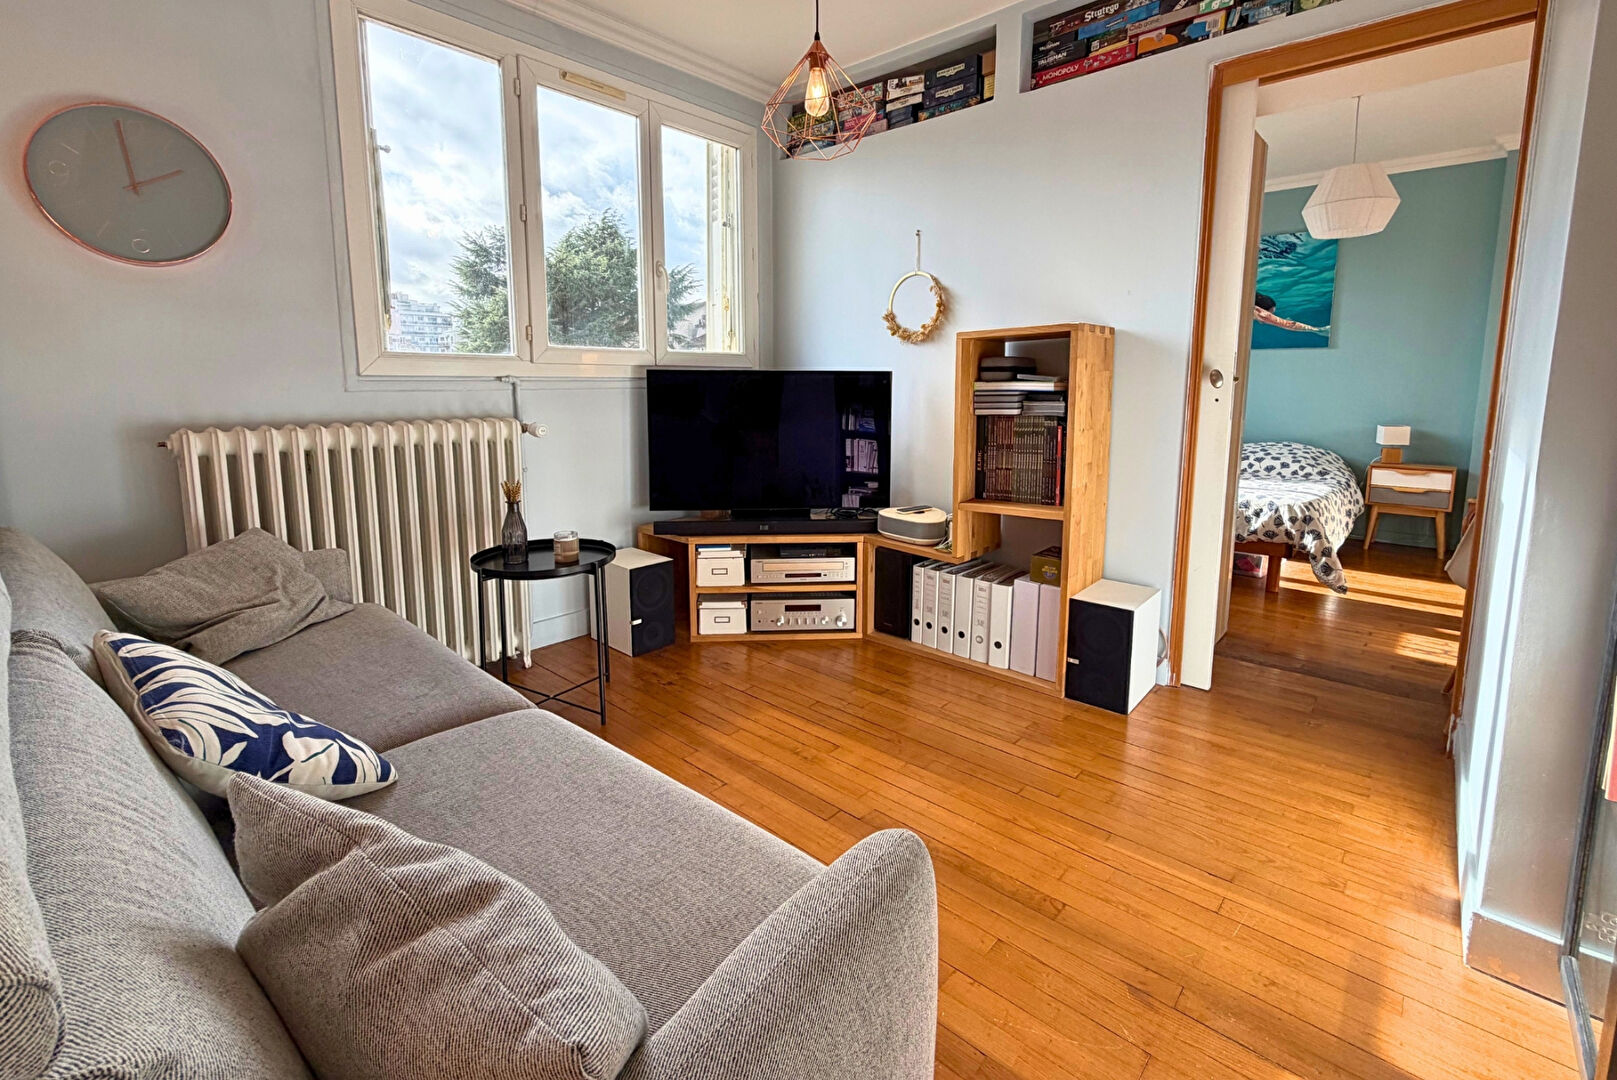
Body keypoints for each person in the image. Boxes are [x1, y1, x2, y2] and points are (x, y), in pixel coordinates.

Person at [1253, 291, 1326, 334]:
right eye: (1270, 314)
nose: (1262, 322)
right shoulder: (1257, 311)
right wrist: (1318, 330)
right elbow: (1287, 324)